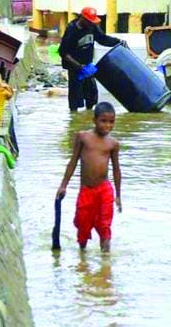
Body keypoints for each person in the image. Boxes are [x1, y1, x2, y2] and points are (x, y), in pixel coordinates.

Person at [56, 102, 122, 252]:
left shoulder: (113, 144)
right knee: (82, 223)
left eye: (111, 122)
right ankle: (82, 257)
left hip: (104, 190)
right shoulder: (83, 137)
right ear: (94, 120)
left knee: (104, 224)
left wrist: (118, 196)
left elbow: (117, 170)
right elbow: (73, 162)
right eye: (103, 121)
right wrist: (63, 185)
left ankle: (105, 261)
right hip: (86, 190)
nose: (108, 125)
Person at [58, 7, 124, 112]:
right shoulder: (72, 30)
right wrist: (78, 66)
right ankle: (74, 118)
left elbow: (103, 39)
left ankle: (89, 115)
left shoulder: (92, 27)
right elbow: (63, 52)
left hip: (88, 67)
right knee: (75, 97)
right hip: (75, 68)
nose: (91, 24)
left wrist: (118, 42)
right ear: (82, 19)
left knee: (91, 95)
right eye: (89, 21)